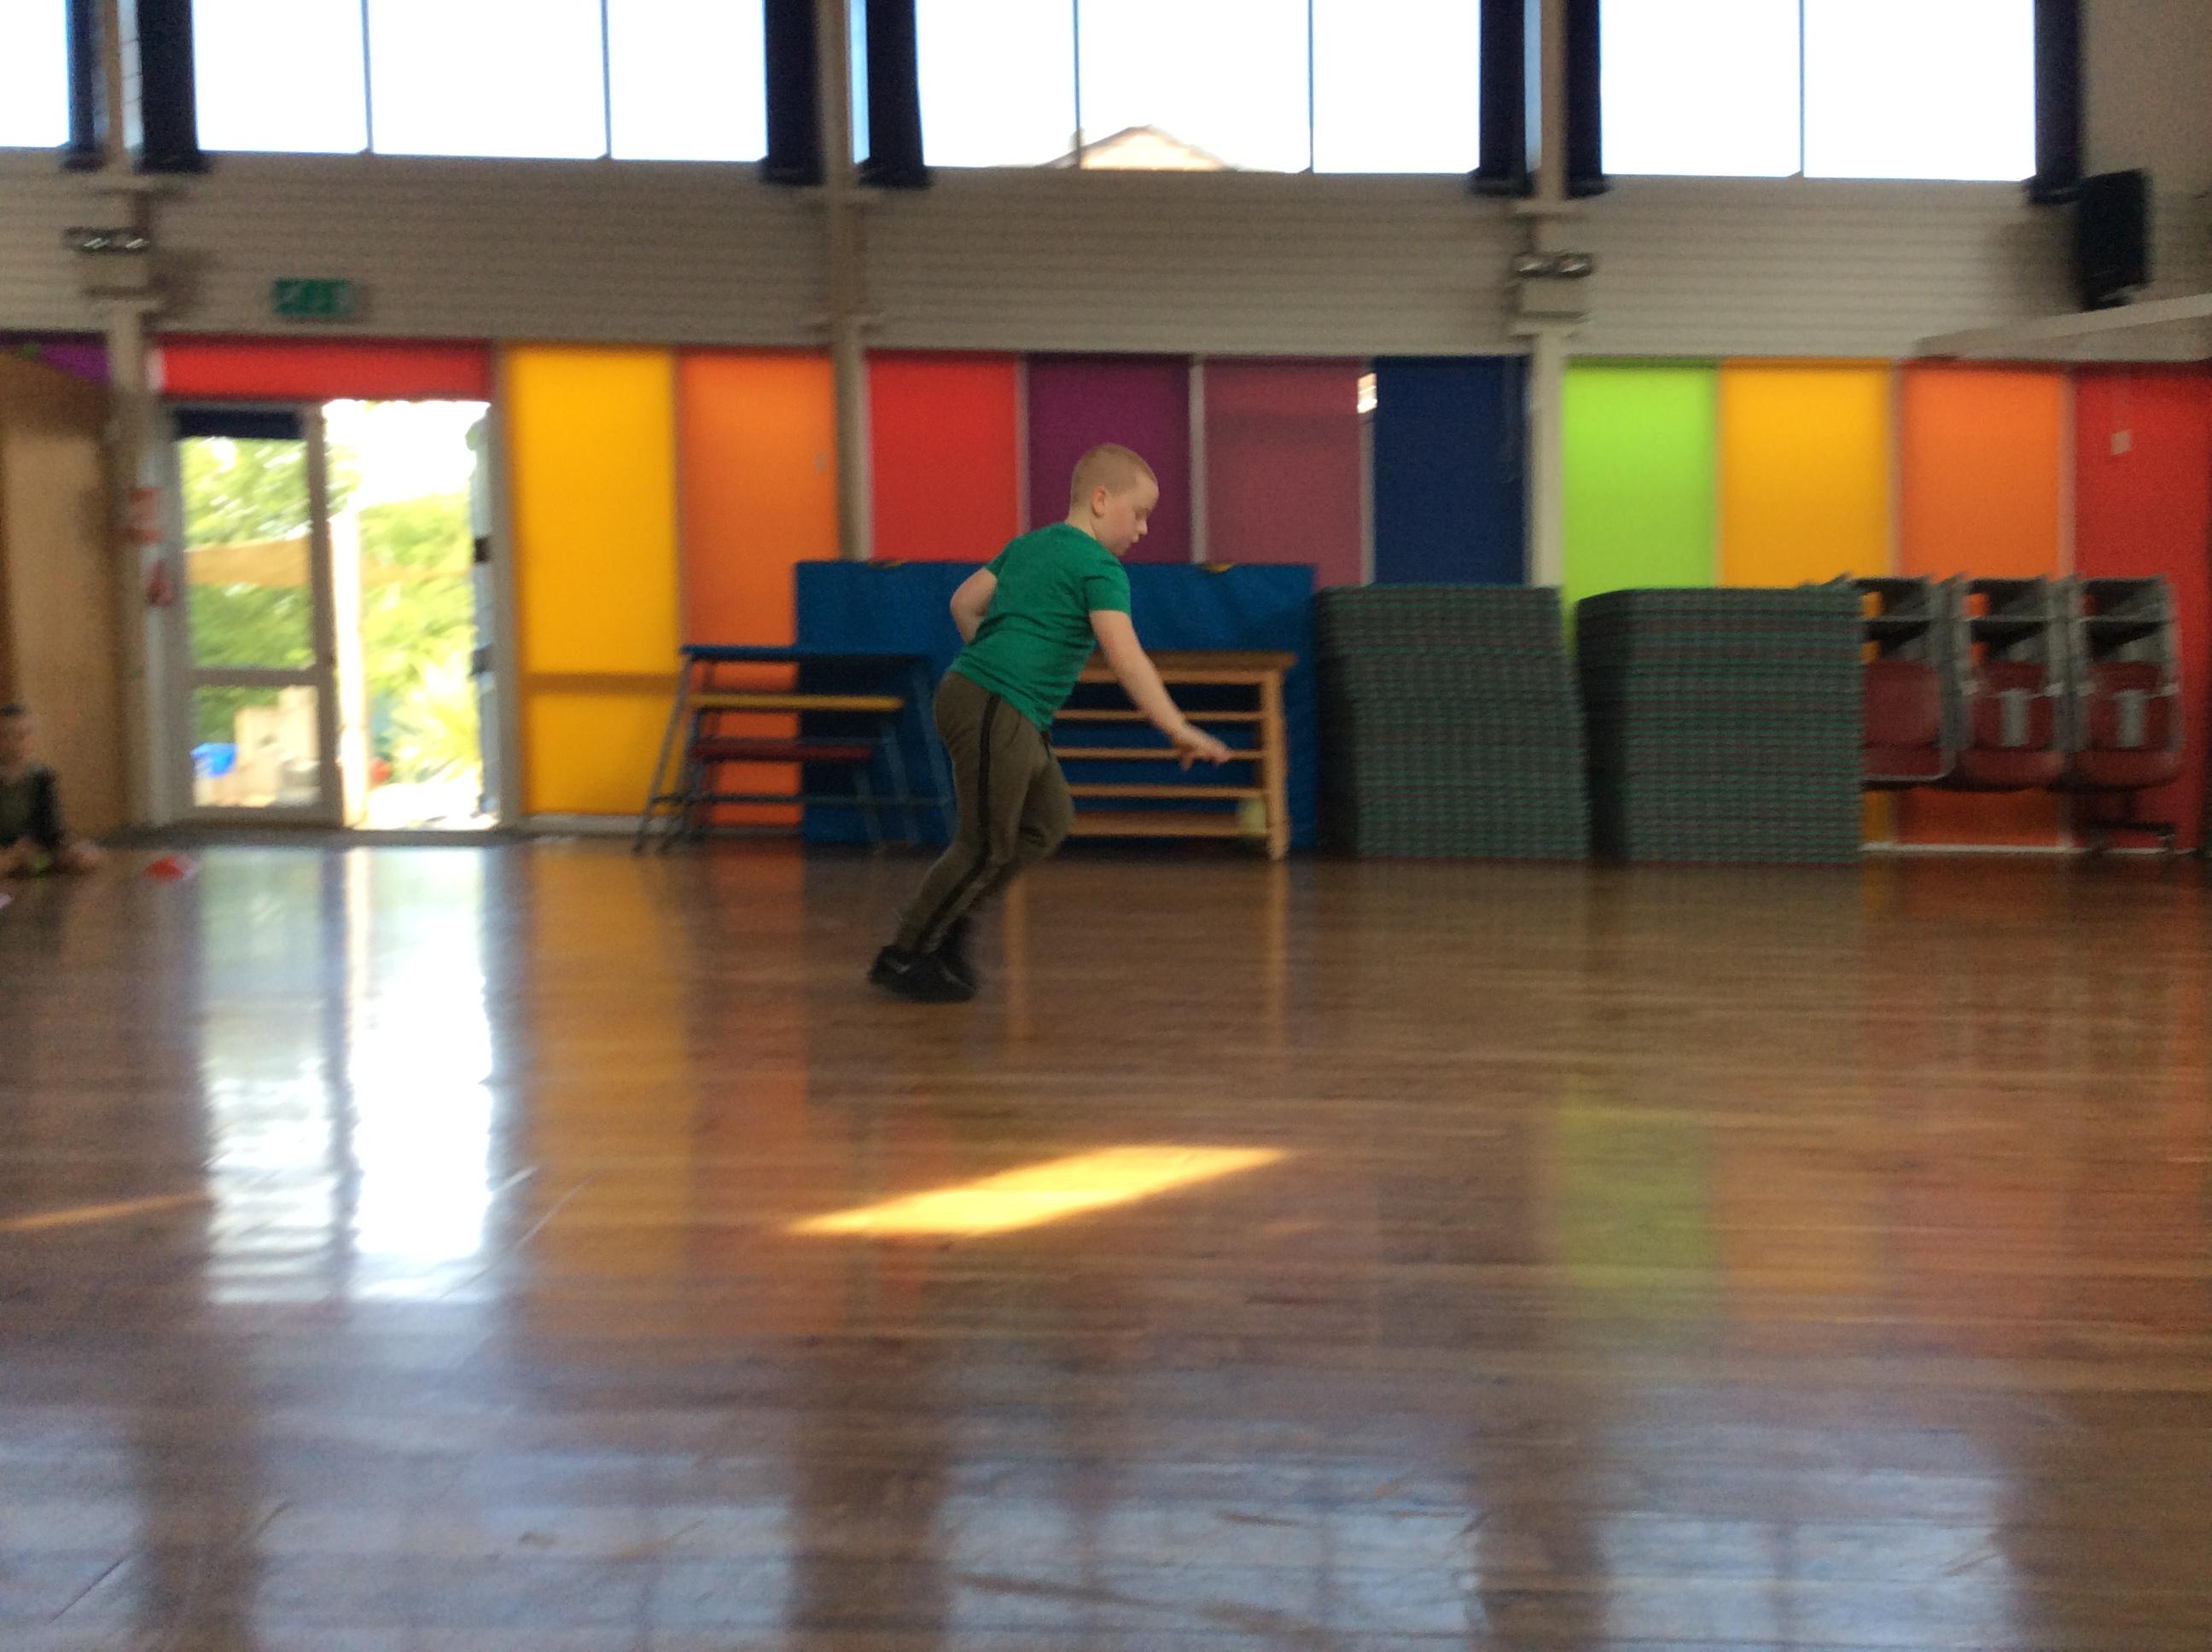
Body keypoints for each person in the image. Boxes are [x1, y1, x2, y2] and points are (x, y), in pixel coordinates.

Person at [870, 445, 1232, 1003]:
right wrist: (1176, 727)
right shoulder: (1099, 567)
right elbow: (1126, 658)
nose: (1142, 529)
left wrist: (995, 659)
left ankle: (951, 919)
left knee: (1048, 820)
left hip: (993, 701)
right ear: (1100, 500)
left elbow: (963, 604)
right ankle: (906, 954)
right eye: (1138, 514)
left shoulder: (1030, 545)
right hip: (994, 702)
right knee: (984, 844)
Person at [0, 703, 104, 877]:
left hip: (34, 852)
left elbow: (52, 829)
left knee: (85, 857)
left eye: (22, 736)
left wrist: (71, 845)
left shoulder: (42, 777)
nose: (14, 744)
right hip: (6, 853)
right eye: (5, 736)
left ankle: (31, 867)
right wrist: (12, 852)